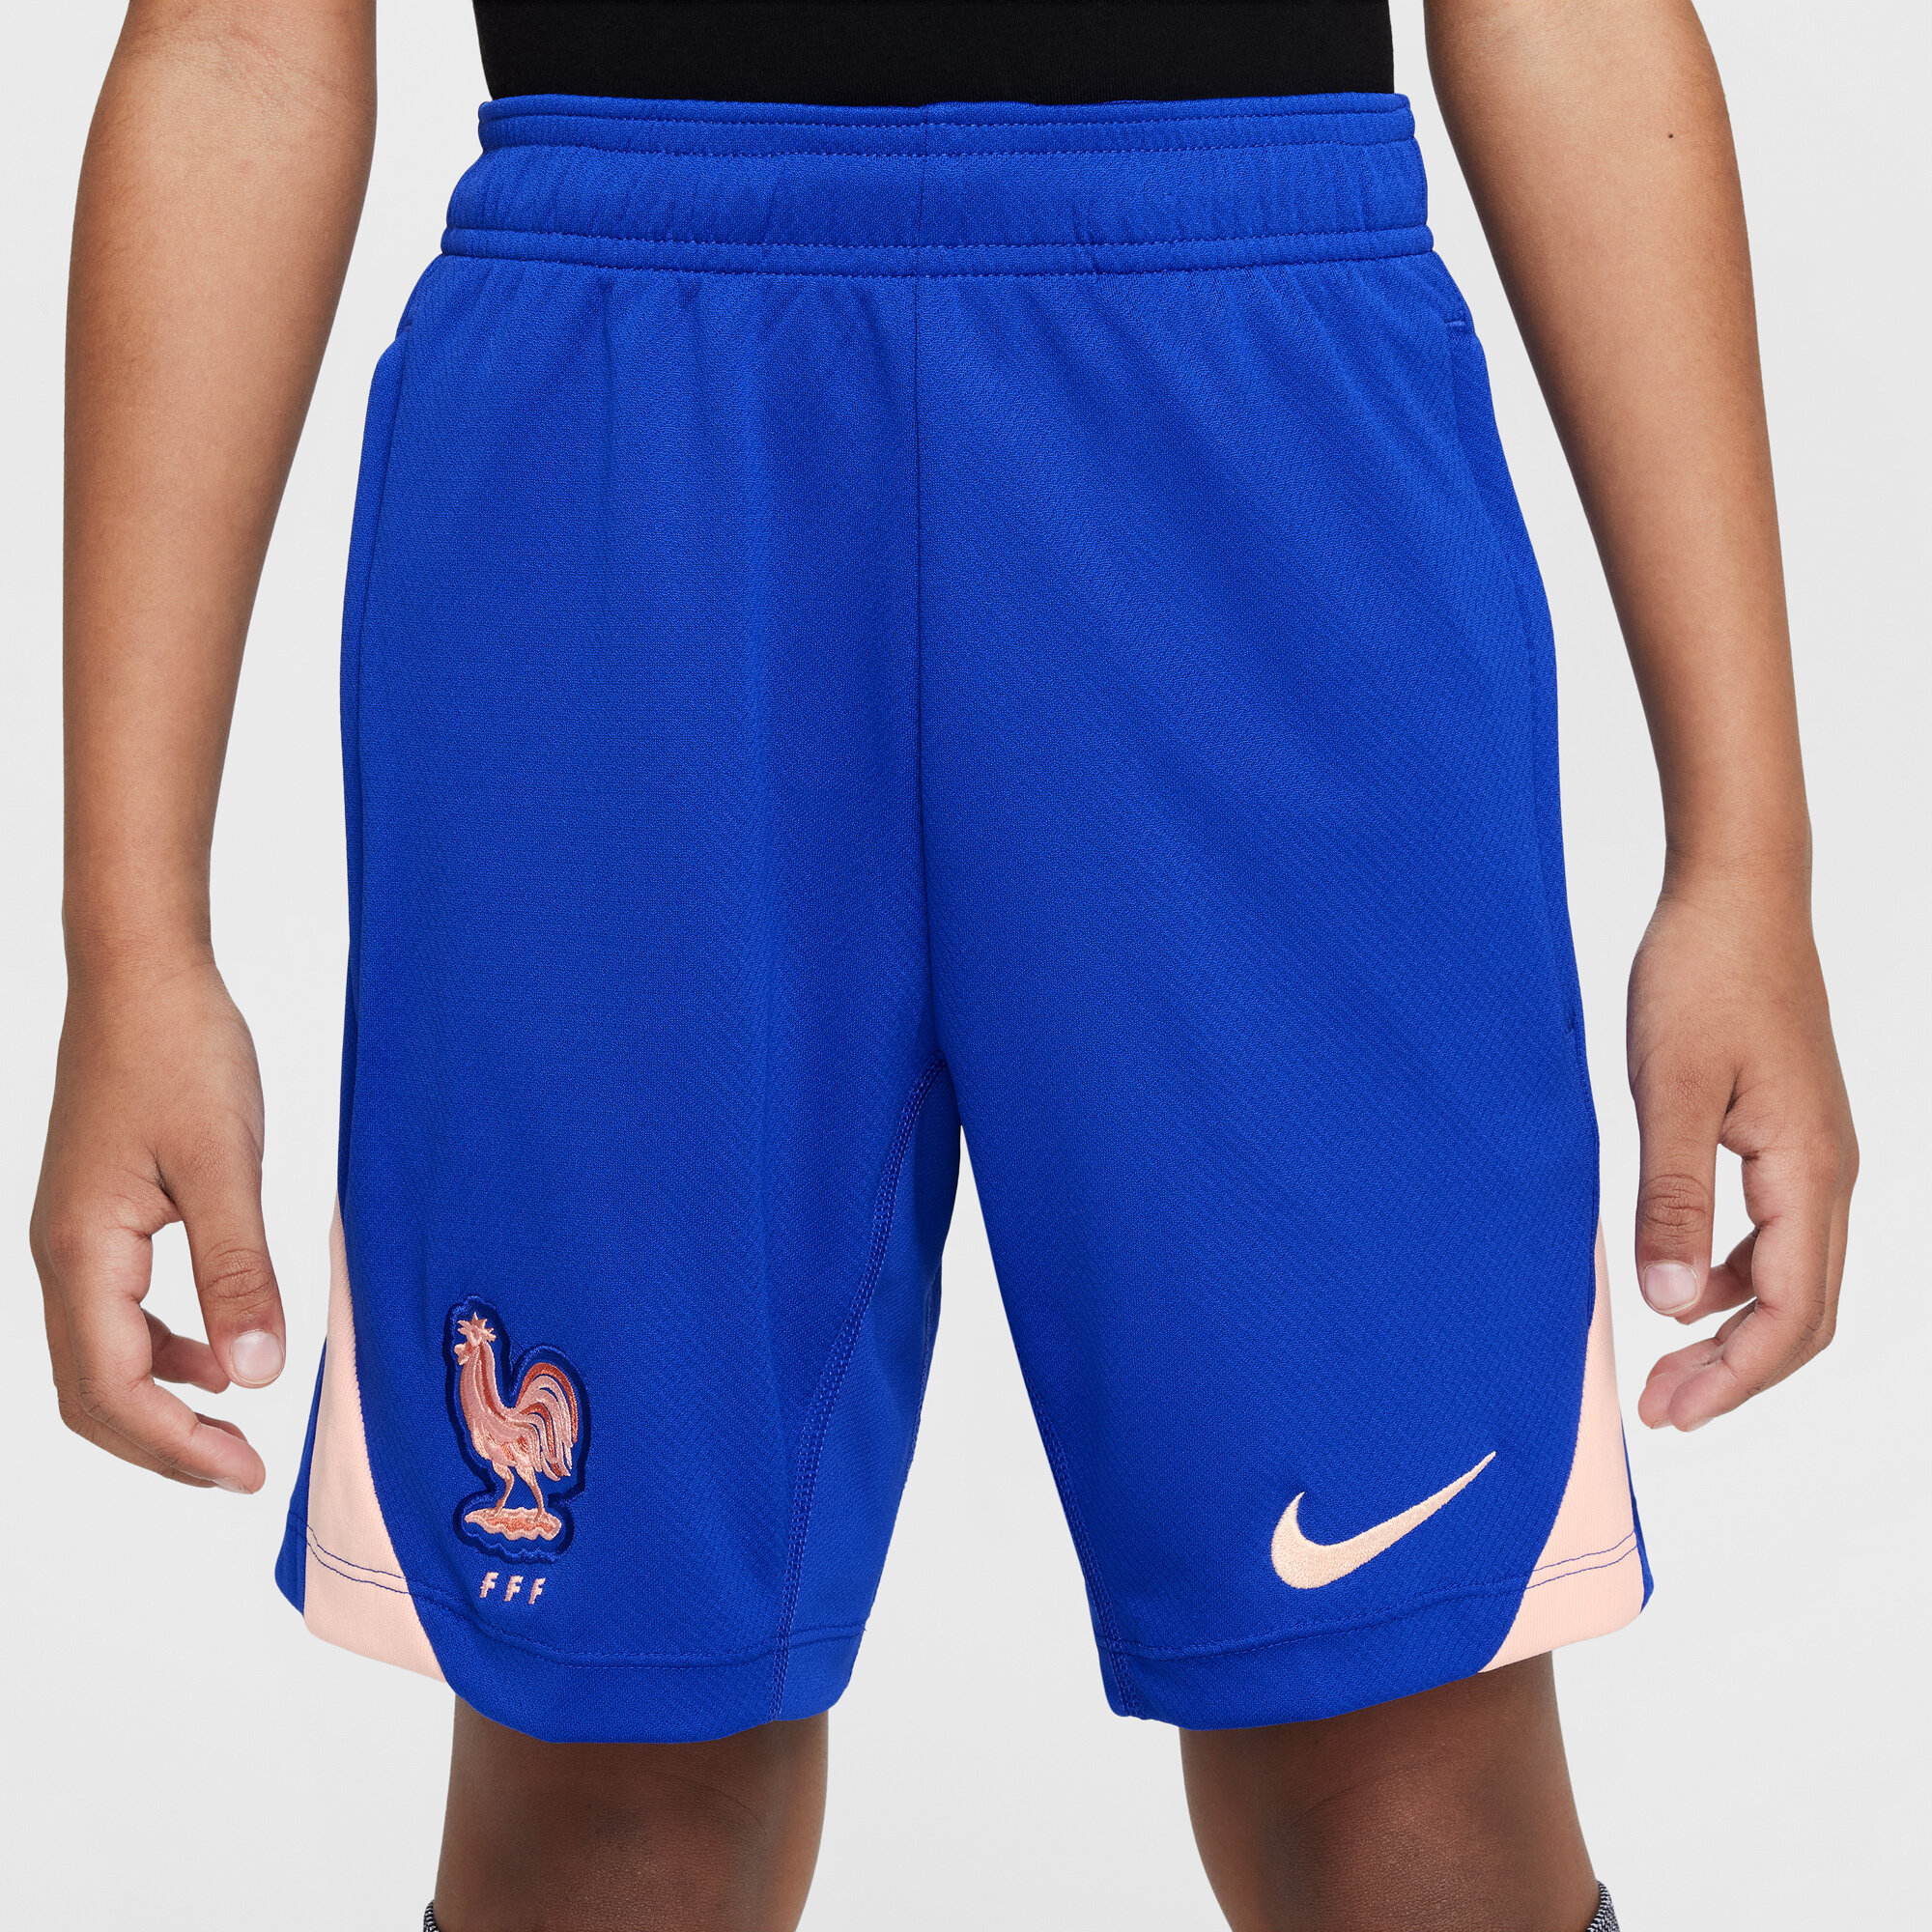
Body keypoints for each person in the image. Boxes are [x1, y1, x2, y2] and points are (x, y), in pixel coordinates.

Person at [31, 3, 1857, 1928]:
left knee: (1409, 1787)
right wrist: (130, 940)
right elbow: (239, 40)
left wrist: (1748, 857)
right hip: (625, 440)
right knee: (610, 1803)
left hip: (1253, 407)